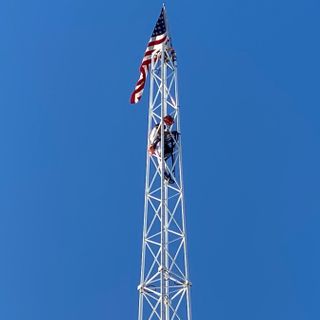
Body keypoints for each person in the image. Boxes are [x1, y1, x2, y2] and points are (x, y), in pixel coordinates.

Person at [148, 115, 179, 183]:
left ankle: (166, 175)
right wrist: (170, 134)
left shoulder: (163, 126)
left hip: (158, 142)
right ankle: (165, 175)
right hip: (156, 142)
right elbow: (160, 133)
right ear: (167, 120)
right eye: (170, 122)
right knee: (160, 157)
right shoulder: (161, 125)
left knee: (163, 156)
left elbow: (163, 135)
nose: (170, 124)